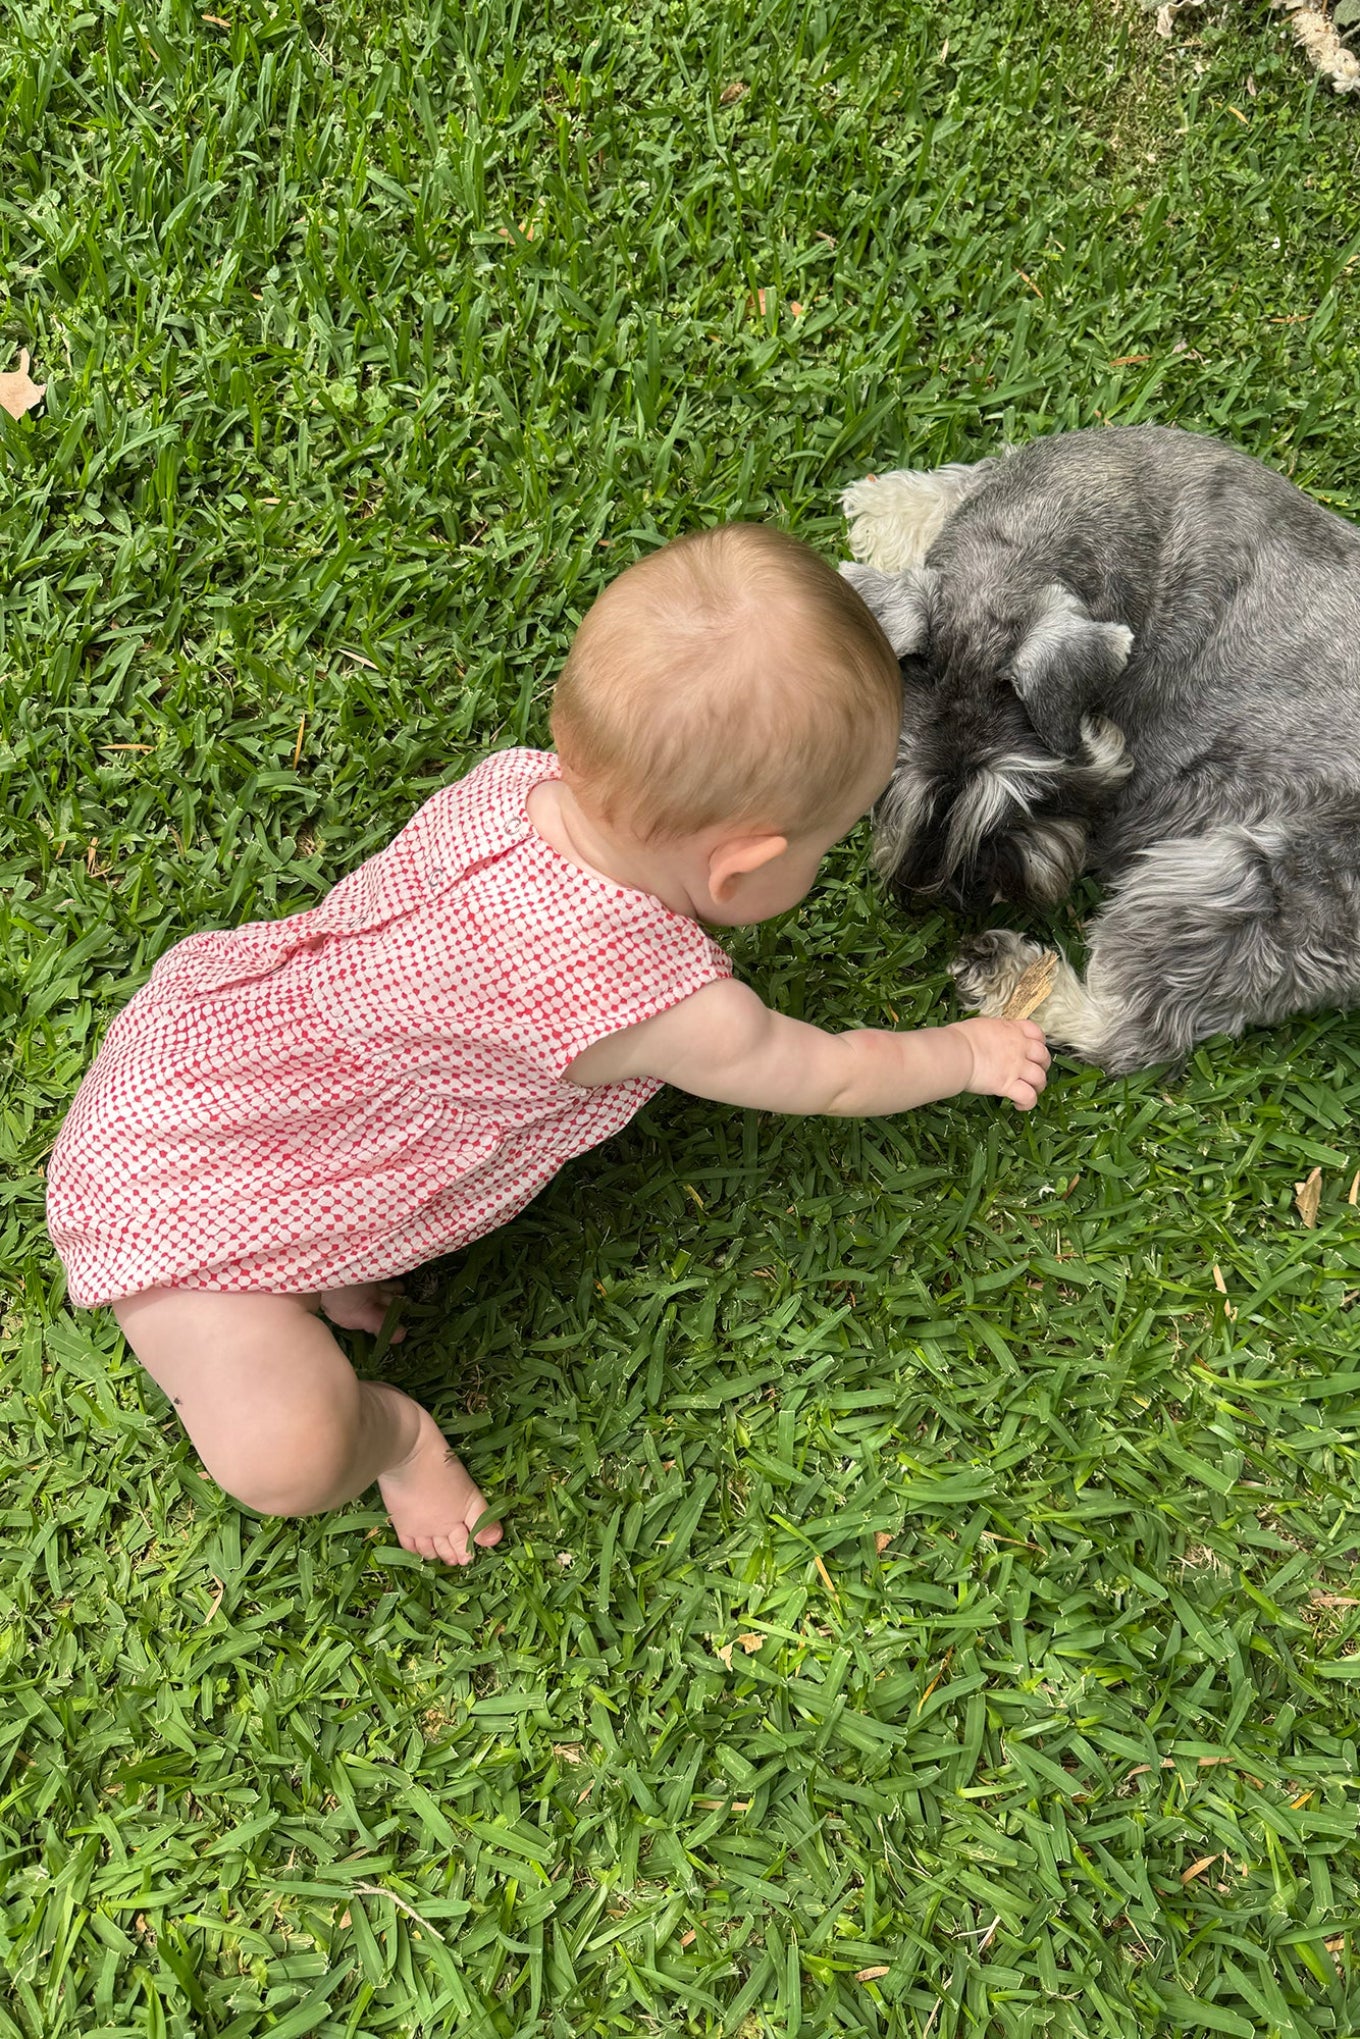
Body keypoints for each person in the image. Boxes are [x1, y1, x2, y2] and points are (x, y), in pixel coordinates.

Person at [46, 525, 1049, 1567]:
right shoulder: (669, 1008)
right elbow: (837, 1074)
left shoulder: (514, 786)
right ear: (741, 869)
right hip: (164, 1198)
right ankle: (396, 1435)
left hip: (195, 1059)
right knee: (286, 1455)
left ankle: (309, 1262)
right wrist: (966, 1053)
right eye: (829, 840)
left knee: (311, 1237)